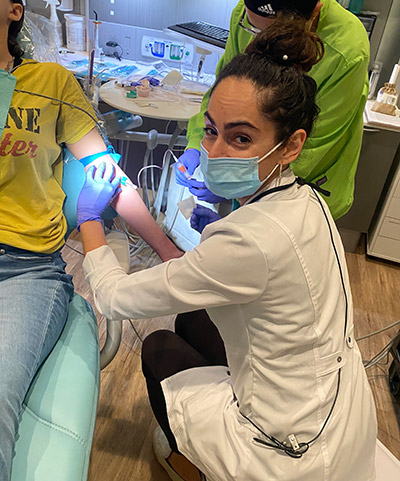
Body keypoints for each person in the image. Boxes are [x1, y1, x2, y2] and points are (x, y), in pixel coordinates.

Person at [78, 14, 376, 481]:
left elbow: (115, 299)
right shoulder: (309, 199)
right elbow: (240, 263)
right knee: (194, 317)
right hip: (336, 403)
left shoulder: (248, 241)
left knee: (158, 345)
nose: (213, 152)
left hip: (290, 452)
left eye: (240, 137)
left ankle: (190, 463)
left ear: (292, 144)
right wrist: (218, 221)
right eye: (211, 130)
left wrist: (90, 218)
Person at [0, 2, 181, 479]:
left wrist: (168, 253)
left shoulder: (51, 84)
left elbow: (109, 177)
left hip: (23, 268)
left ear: (15, 10)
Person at [176, 0, 370, 220]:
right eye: (255, 30)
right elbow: (222, 96)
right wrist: (196, 143)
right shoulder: (244, 14)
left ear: (315, 8)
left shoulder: (347, 51)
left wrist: (231, 183)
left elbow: (315, 146)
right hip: (254, 170)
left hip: (305, 185)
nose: (261, 40)